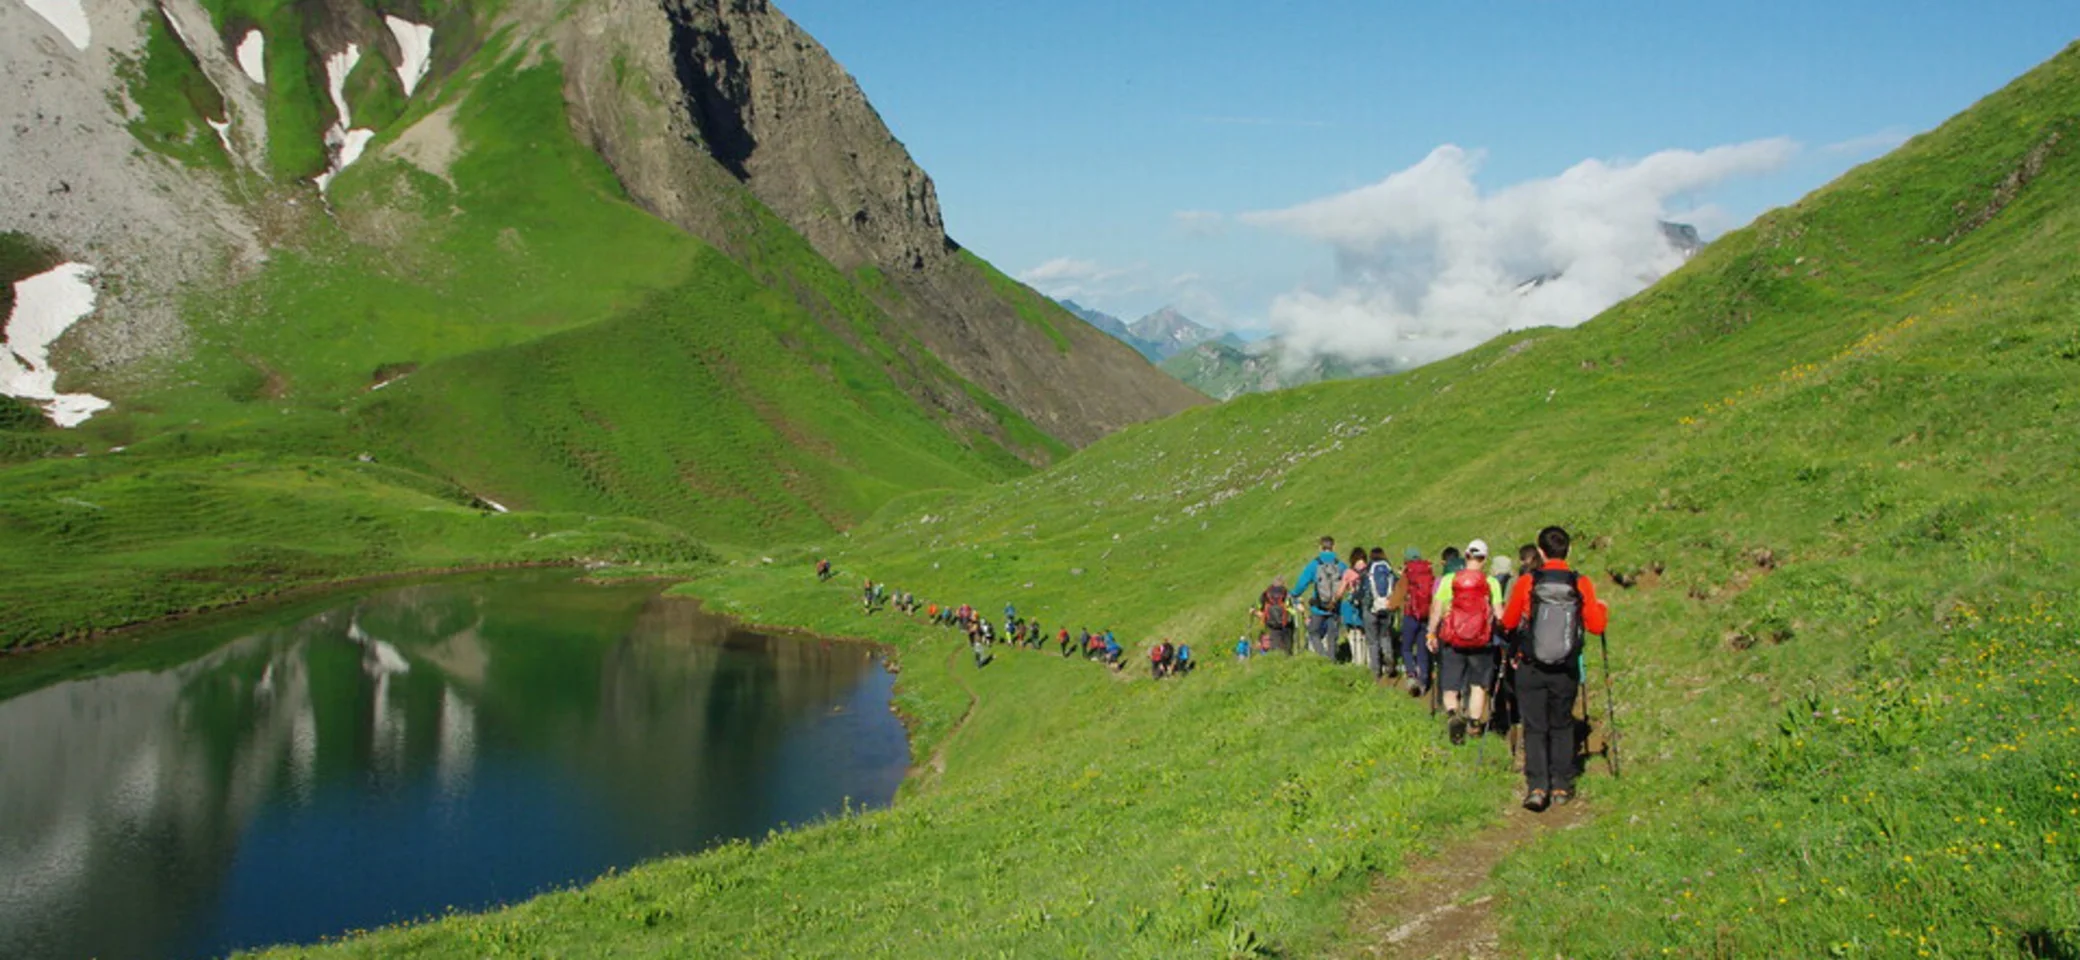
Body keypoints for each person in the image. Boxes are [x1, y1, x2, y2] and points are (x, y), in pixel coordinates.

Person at [1501, 526, 1608, 811]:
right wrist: (1603, 609)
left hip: (1530, 664)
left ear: (1539, 552)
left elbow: (1509, 622)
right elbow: (1597, 626)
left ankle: (1537, 787)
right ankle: (1562, 785)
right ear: (1568, 550)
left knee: (1534, 727)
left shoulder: (1528, 582)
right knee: (1562, 724)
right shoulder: (1580, 583)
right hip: (1566, 667)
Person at [1428, 540, 1504, 746]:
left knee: (1451, 685)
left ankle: (1453, 714)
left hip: (1453, 640)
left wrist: (1431, 634)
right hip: (1482, 641)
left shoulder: (1449, 580)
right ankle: (1474, 723)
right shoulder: (1491, 583)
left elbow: (1437, 609)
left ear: (1466, 556)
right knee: (1478, 685)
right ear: (1485, 559)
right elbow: (1499, 615)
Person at [1293, 536, 1347, 659]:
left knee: (1313, 632)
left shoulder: (1314, 565)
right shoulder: (1340, 565)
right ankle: (1332, 660)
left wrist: (1294, 594)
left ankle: (1322, 657)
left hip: (1319, 607)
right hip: (1335, 606)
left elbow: (1302, 583)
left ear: (1320, 547)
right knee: (1332, 636)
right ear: (1333, 547)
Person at [1399, 549, 1436, 698]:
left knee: (1407, 648)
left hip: (1410, 615)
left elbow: (1398, 596)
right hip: (1426, 616)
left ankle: (1411, 674)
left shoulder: (1407, 574)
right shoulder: (1428, 572)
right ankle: (1424, 681)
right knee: (1422, 649)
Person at [1359, 546, 1400, 680]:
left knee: (1372, 641)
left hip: (1371, 608)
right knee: (1385, 636)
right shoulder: (1389, 570)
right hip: (1387, 607)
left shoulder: (1367, 571)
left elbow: (1362, 591)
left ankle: (1376, 671)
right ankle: (1389, 662)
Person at [1339, 547, 1368, 665]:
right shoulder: (1370, 570)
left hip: (1352, 609)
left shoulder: (1348, 572)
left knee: (1353, 635)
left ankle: (1358, 661)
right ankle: (1370, 661)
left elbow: (1341, 590)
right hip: (1368, 608)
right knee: (1367, 635)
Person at [1255, 577, 1296, 655]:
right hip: (1286, 622)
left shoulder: (1266, 593)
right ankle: (1288, 656)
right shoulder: (1286, 593)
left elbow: (1260, 606)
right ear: (1283, 583)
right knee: (1288, 643)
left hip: (1271, 622)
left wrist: (1258, 612)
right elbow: (1291, 607)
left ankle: (1277, 656)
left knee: (1275, 642)